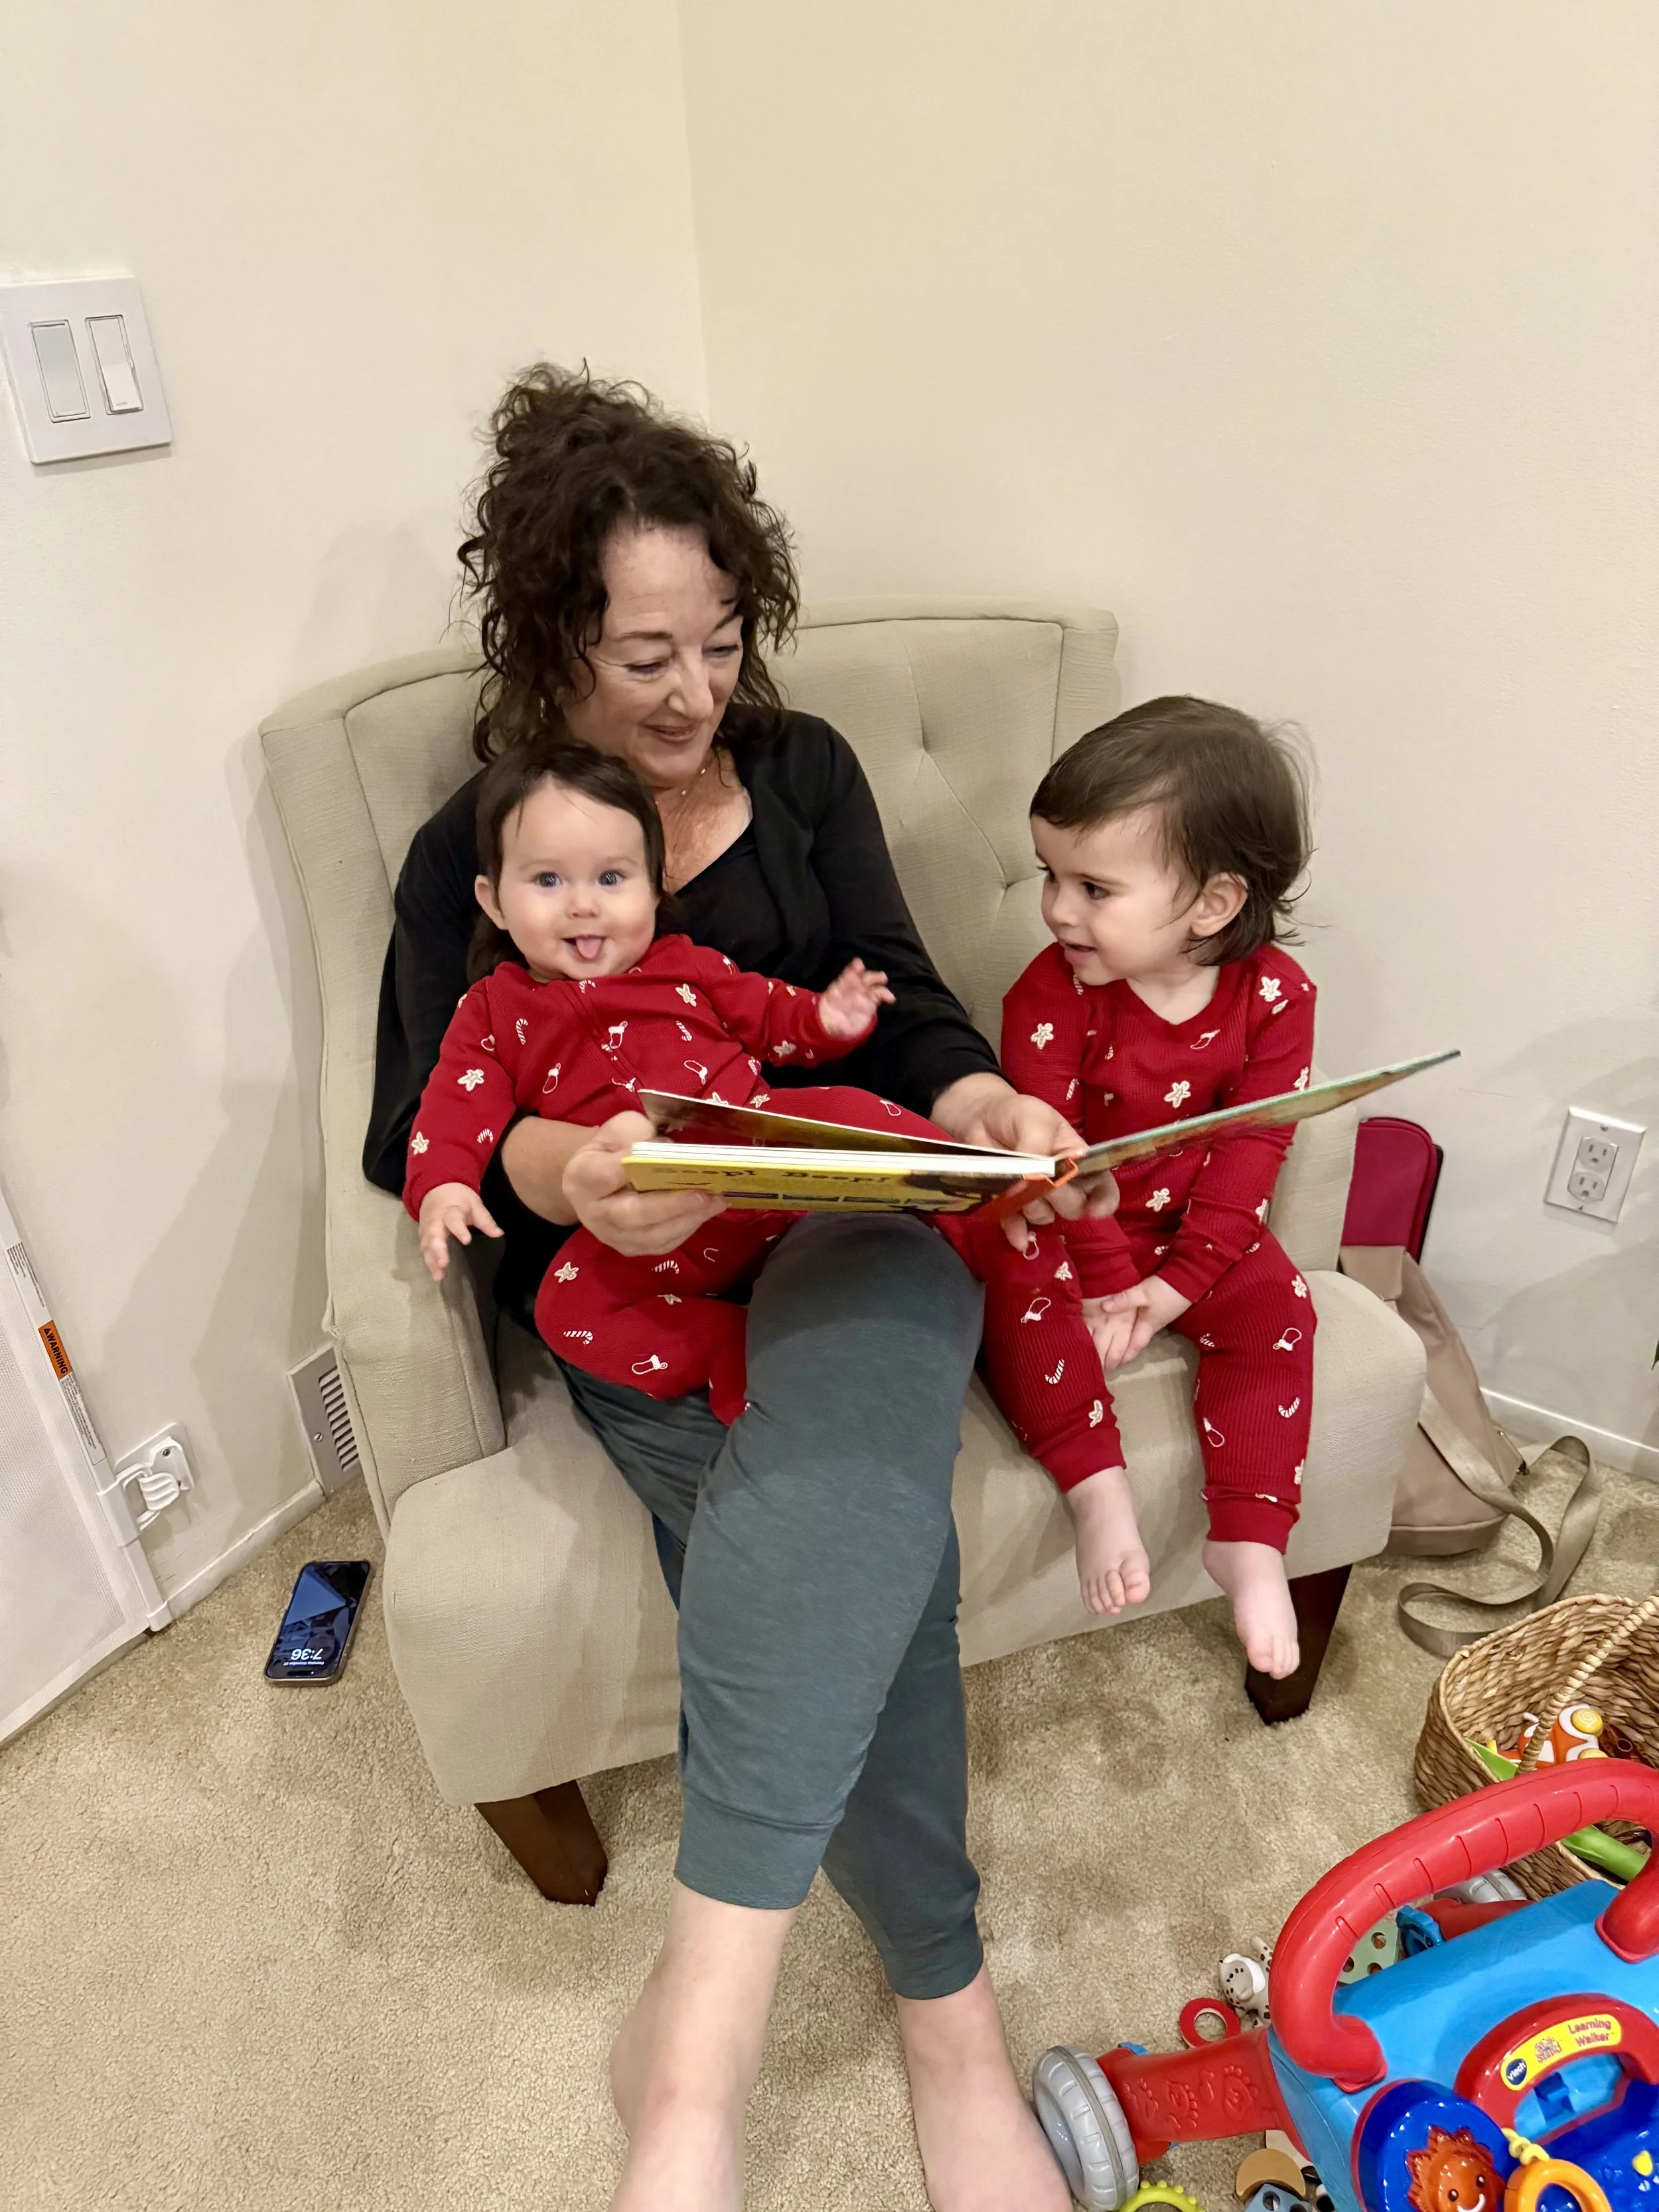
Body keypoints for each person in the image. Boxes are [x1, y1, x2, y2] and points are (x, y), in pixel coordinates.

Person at [364, 364, 1112, 2212]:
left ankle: (693, 2049)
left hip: (846, 1230)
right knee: (864, 1544)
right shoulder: (486, 845)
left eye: (718, 641)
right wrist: (561, 1176)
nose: (696, 693)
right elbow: (420, 1124)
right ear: (552, 653)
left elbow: (906, 1000)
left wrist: (977, 1101)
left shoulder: (804, 771)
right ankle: (949, 2021)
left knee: (849, 1431)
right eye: (644, 658)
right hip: (642, 1290)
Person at [405, 730, 948, 1417]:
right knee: (565, 1311)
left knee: (855, 1111)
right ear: (492, 900)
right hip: (652, 1228)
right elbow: (451, 1108)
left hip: (773, 1171)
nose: (582, 905)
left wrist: (829, 1019)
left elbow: (772, 1017)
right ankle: (736, 1347)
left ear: (654, 890)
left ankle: (975, 1216)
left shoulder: (684, 963)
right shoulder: (487, 1009)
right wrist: (444, 1187)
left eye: (611, 878)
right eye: (546, 880)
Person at [968, 696, 1317, 1680]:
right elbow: (1056, 1162)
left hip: (1199, 1233)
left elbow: (1254, 1150)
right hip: (1072, 1225)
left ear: (1210, 904)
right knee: (1014, 1280)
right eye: (1050, 875)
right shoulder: (1051, 994)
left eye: (1093, 886)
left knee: (1281, 1308)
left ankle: (1250, 1540)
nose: (1057, 909)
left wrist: (1172, 1289)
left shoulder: (1279, 998)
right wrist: (1107, 1277)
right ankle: (1096, 1487)